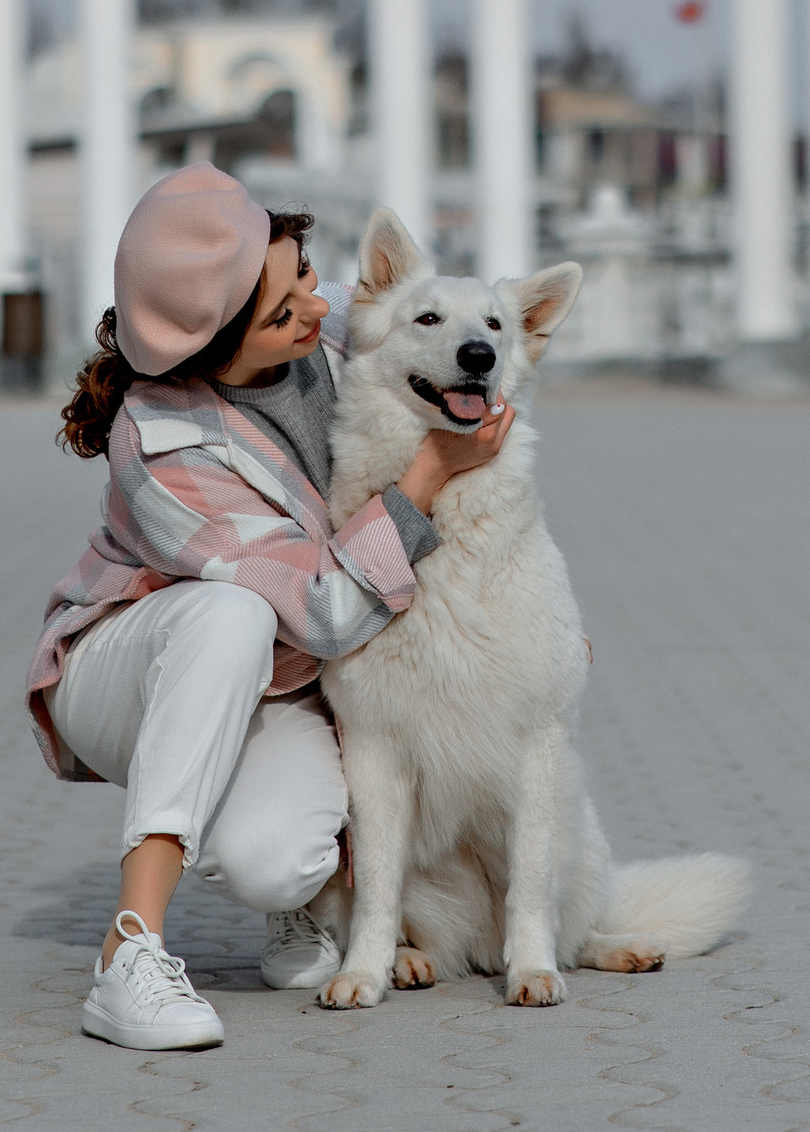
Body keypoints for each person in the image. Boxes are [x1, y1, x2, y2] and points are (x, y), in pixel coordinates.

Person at [28, 162, 512, 1051]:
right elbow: (324, 610)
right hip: (132, 667)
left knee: (276, 860)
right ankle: (130, 953)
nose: (318, 310)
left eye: (305, 277)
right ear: (214, 350)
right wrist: (429, 475)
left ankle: (297, 906)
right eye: (288, 308)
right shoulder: (164, 443)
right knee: (232, 613)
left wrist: (517, 630)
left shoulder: (331, 352)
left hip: (282, 681)